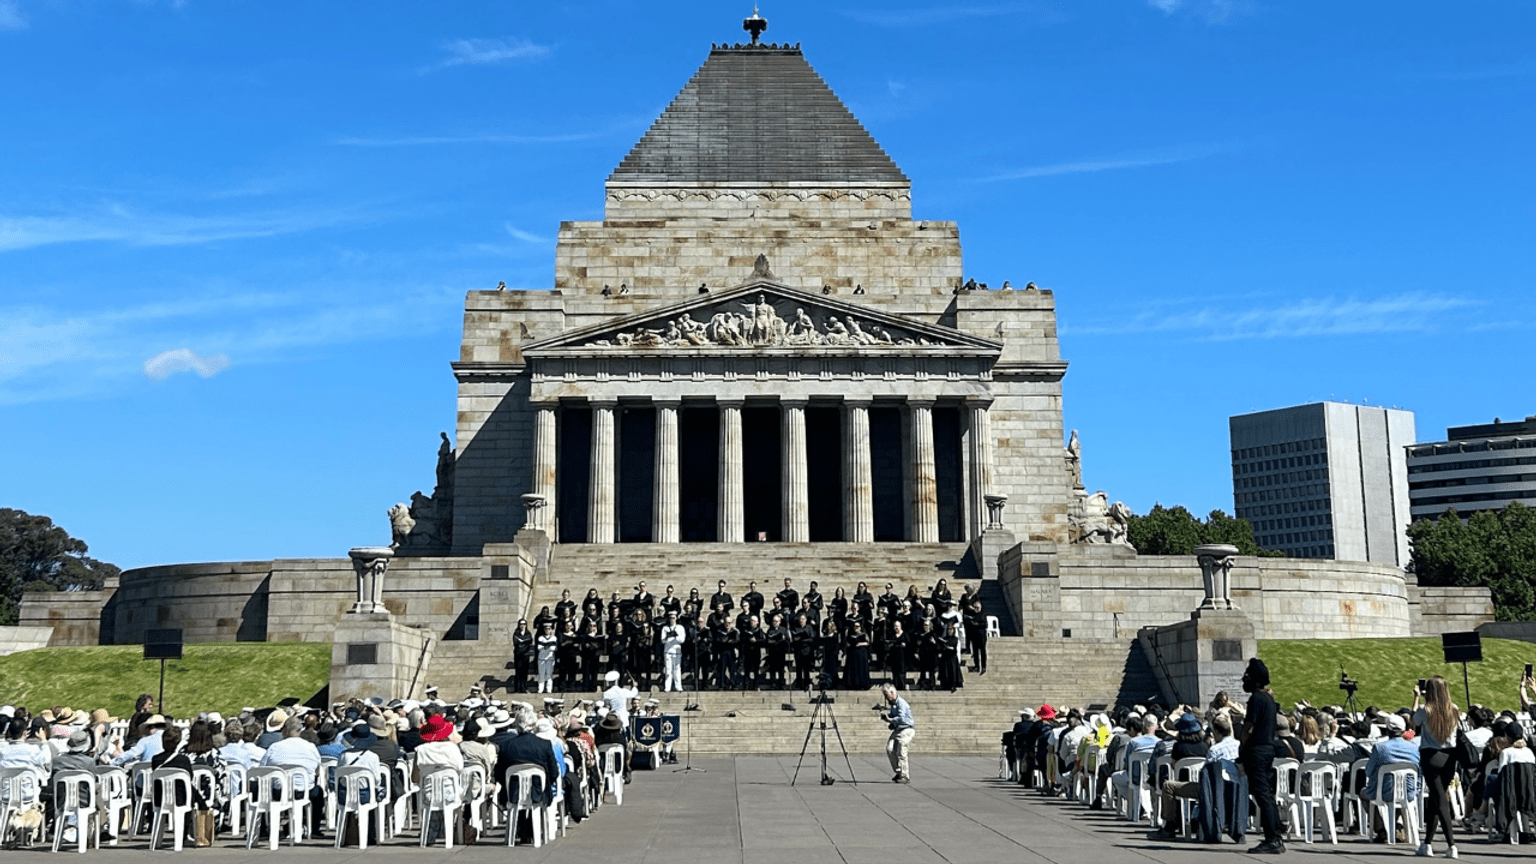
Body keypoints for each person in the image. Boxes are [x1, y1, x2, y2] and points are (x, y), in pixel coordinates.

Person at [1239, 657, 1284, 854]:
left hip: (1256, 750)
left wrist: (1241, 744)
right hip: (1268, 749)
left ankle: (1271, 838)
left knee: (1262, 794)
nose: (1245, 680)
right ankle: (1275, 834)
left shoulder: (1256, 698)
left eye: (1248, 676)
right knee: (1266, 794)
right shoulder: (1269, 699)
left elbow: (1249, 726)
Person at [1413, 675, 1460, 857]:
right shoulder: (1453, 709)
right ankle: (1427, 843)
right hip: (1450, 757)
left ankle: (1451, 844)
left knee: (1440, 800)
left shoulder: (1426, 710)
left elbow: (1414, 721)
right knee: (1436, 798)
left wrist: (1417, 698)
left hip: (1431, 755)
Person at [881, 683, 915, 784]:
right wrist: (889, 720)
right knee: (889, 748)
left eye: (886, 695)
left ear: (892, 693)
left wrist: (890, 719)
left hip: (906, 729)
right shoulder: (893, 705)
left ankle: (905, 775)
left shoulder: (901, 703)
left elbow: (901, 718)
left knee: (901, 751)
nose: (886, 698)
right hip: (898, 729)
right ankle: (898, 771)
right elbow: (893, 717)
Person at [661, 610, 687, 692]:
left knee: (677, 669)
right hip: (668, 651)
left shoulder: (680, 628)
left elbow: (682, 640)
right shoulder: (665, 628)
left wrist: (674, 637)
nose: (672, 620)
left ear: (676, 619)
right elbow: (663, 640)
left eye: (673, 618)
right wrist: (669, 637)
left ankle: (678, 686)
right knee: (668, 670)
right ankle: (667, 686)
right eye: (671, 618)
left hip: (677, 651)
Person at [512, 619, 535, 693]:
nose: (522, 626)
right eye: (521, 624)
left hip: (525, 655)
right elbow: (516, 643)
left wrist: (522, 645)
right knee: (518, 672)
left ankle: (524, 687)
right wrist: (523, 644)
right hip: (518, 656)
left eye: (524, 624)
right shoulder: (516, 633)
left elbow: (529, 642)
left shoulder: (528, 634)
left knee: (524, 672)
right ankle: (517, 688)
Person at [536, 621, 558, 693]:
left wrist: (545, 647)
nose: (547, 630)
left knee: (549, 675)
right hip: (541, 658)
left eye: (549, 629)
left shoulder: (554, 638)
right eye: (546, 629)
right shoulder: (541, 638)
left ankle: (549, 689)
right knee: (541, 674)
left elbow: (553, 648)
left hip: (550, 659)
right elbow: (539, 647)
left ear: (551, 629)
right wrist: (547, 647)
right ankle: (540, 689)